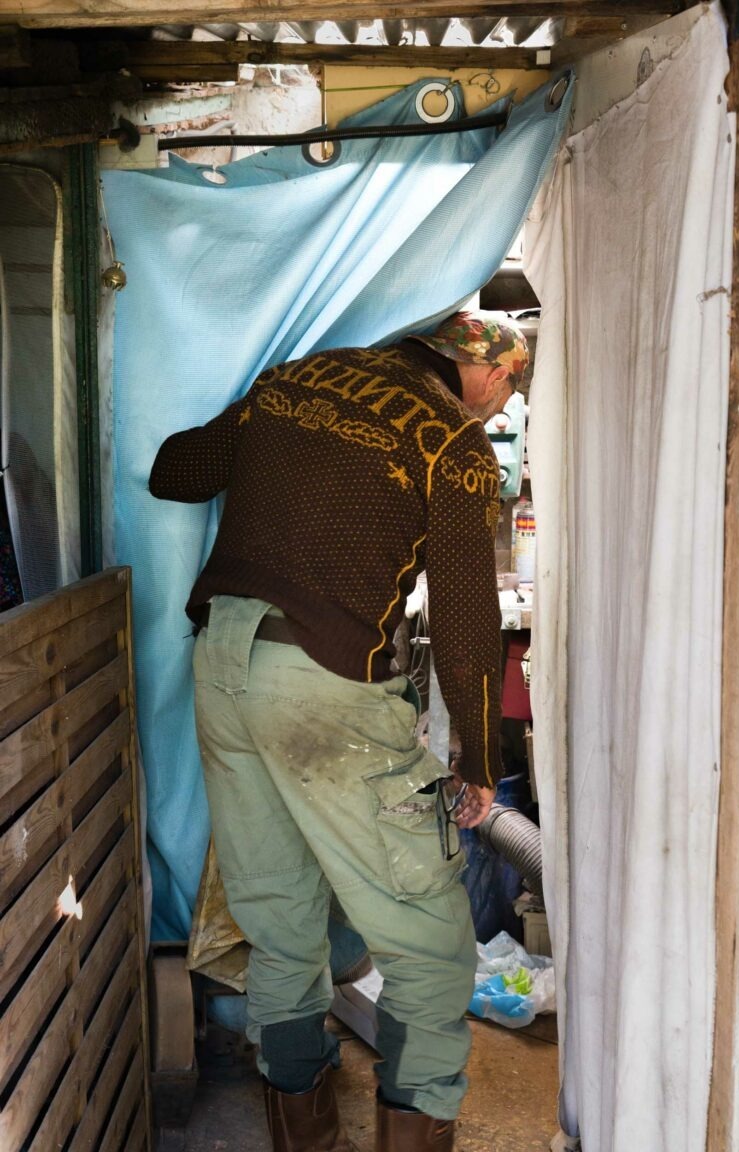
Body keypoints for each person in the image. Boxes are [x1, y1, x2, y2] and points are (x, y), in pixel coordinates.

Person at [149, 310, 529, 1152]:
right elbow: (470, 618)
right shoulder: (450, 442)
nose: (500, 411)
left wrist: (264, 435)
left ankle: (301, 1135)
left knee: (282, 928)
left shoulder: (296, 380)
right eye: (507, 390)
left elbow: (175, 473)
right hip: (319, 685)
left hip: (220, 661)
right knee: (430, 947)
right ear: (484, 373)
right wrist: (475, 755)